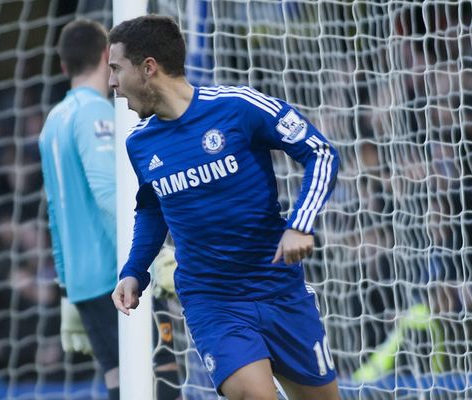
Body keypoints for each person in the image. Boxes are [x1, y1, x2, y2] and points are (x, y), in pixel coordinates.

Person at [109, 15, 341, 400]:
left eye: (116, 69)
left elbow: (320, 153)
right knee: (255, 395)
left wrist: (300, 223)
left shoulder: (237, 107)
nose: (113, 84)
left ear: (148, 68)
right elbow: (152, 209)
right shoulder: (140, 144)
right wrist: (134, 270)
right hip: (213, 301)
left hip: (277, 289)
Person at [38, 19, 119, 399]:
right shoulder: (96, 113)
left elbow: (55, 213)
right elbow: (108, 195)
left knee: (120, 382)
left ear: (63, 65)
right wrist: (146, 260)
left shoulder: (53, 120)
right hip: (117, 277)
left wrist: (67, 289)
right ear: (107, 56)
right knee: (162, 384)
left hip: (85, 283)